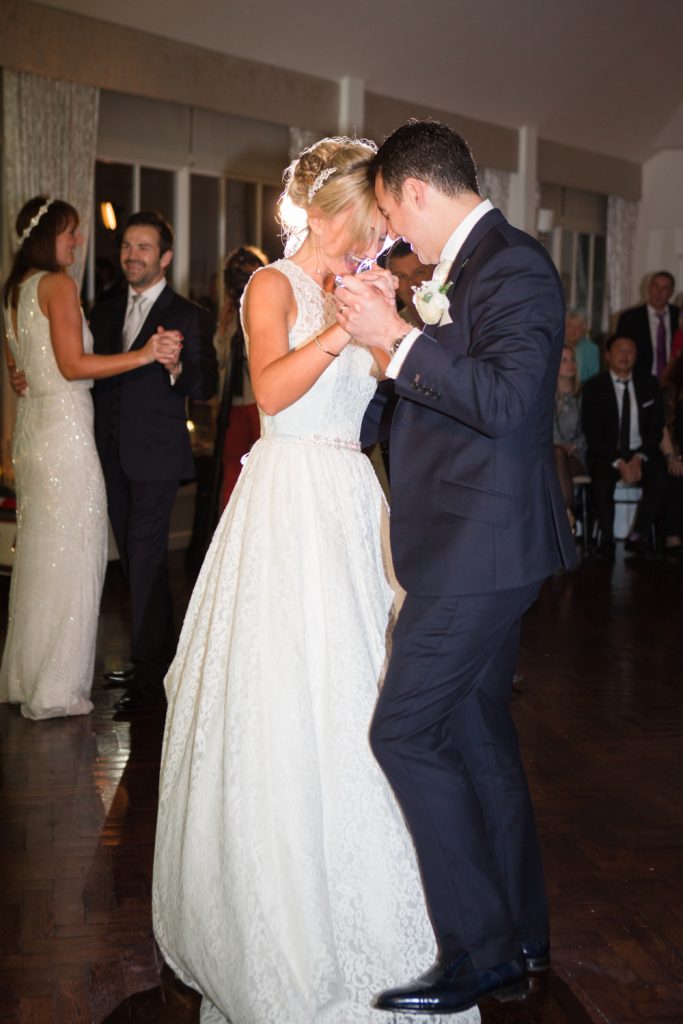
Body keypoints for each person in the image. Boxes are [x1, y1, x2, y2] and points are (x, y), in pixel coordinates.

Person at [152, 136, 480, 1024]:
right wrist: (345, 323)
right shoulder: (272, 285)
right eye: (376, 214)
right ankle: (277, 932)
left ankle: (386, 921)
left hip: (348, 497)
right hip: (285, 497)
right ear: (340, 208)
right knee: (284, 702)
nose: (384, 229)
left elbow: (392, 397)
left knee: (369, 703)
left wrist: (407, 335)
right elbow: (271, 389)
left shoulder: (372, 283)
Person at [334, 119, 577, 1016]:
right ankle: (519, 936)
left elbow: (512, 405)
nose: (396, 235)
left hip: (483, 551)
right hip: (468, 543)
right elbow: (440, 395)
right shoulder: (462, 273)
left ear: (415, 192)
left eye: (395, 215)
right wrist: (383, 362)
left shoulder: (510, 266)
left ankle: (476, 954)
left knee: (401, 732)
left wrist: (399, 338)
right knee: (477, 737)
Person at [0, 196, 175, 720]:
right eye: (69, 233)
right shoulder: (57, 285)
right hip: (65, 435)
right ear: (45, 237)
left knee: (38, 556)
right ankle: (55, 688)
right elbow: (73, 366)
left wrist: (23, 379)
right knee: (73, 554)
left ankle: (22, 676)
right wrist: (145, 354)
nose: (77, 242)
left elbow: (21, 368)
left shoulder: (14, 291)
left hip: (35, 431)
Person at [91, 211, 218, 713]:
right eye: (126, 245)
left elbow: (206, 386)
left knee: (144, 562)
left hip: (157, 461)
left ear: (164, 257)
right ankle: (160, 663)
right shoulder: (101, 312)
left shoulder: (187, 314)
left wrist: (177, 366)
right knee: (137, 566)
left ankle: (149, 682)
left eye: (143, 247)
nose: (132, 255)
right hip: (108, 457)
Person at [581, 335, 667, 561]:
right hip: (608, 454)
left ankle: (638, 535)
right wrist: (619, 462)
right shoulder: (593, 388)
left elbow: (656, 429)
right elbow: (593, 434)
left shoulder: (649, 384)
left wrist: (638, 458)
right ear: (607, 355)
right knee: (601, 481)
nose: (625, 355)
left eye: (631, 350)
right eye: (620, 350)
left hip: (641, 452)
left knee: (661, 478)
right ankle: (607, 539)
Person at [214, 245, 268, 513]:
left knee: (264, 467)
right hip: (233, 402)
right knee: (232, 468)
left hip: (261, 400)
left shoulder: (265, 308)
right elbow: (219, 360)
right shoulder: (226, 317)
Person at [616, 271, 678, 379]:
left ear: (671, 292)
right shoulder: (629, 318)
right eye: (655, 286)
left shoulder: (679, 316)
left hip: (674, 383)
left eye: (665, 288)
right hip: (641, 381)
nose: (659, 292)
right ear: (649, 288)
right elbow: (620, 353)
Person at [554, 344, 587, 524]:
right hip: (551, 454)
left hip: (576, 455)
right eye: (564, 360)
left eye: (572, 360)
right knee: (557, 454)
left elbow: (589, 430)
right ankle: (567, 515)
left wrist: (573, 446)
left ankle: (564, 516)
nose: (571, 364)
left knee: (559, 456)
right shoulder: (545, 396)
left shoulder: (584, 396)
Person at [387, 239, 435, 328]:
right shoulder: (391, 327)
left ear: (434, 272)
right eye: (402, 276)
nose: (412, 283)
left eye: (419, 272)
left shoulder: (458, 311)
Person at [564, 308, 600, 383]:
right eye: (570, 326)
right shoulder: (555, 345)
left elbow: (593, 378)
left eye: (578, 327)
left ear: (584, 330)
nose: (573, 331)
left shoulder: (592, 349)